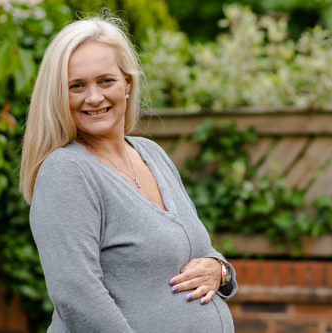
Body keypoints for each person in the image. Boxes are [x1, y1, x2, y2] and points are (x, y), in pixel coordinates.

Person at [19, 14, 238, 333]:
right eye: (76, 86)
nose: (93, 97)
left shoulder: (150, 153)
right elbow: (77, 297)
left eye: (105, 80)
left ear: (127, 84)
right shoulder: (66, 171)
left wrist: (219, 270)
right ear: (59, 96)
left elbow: (196, 248)